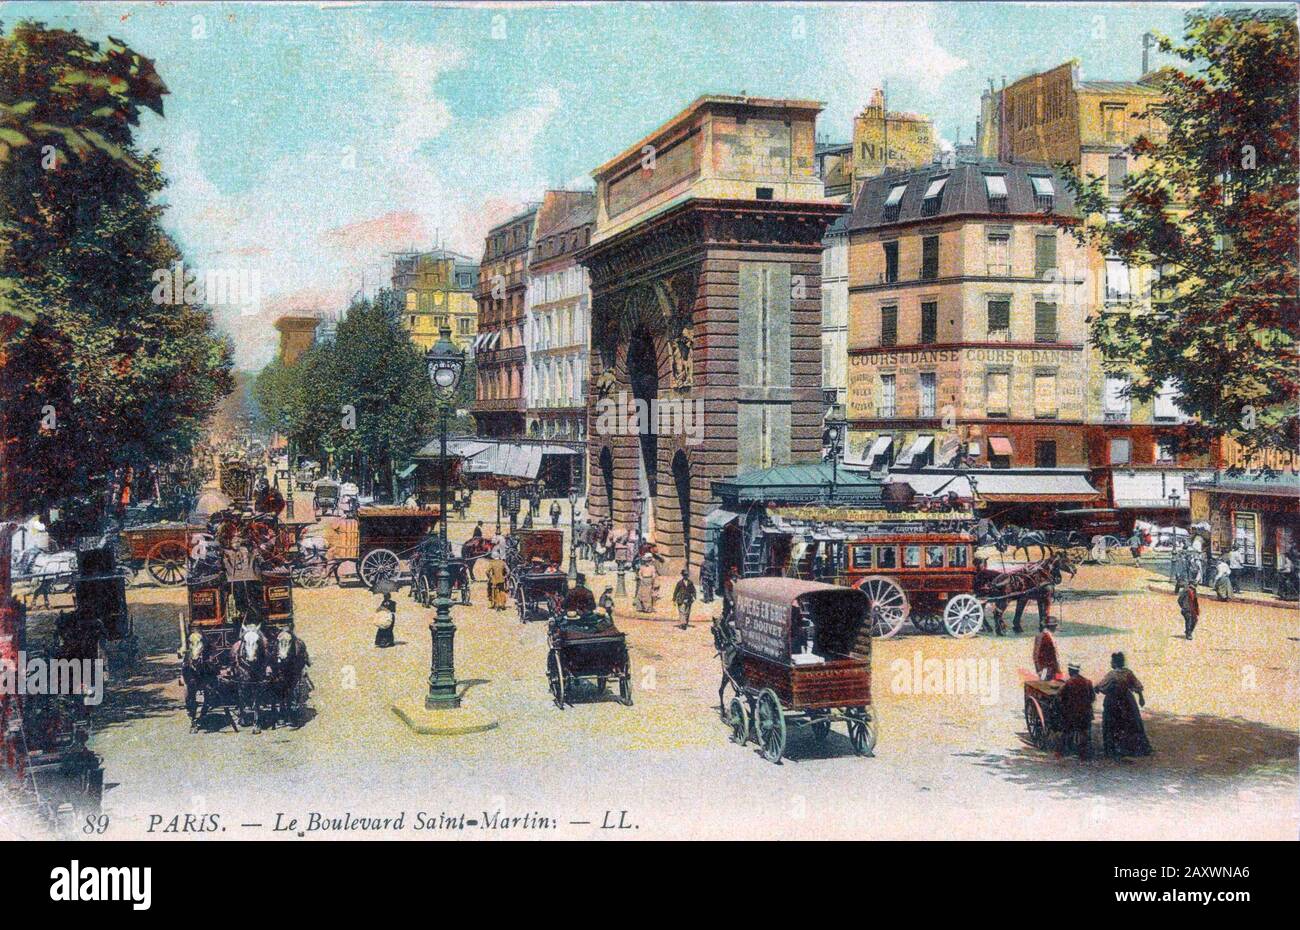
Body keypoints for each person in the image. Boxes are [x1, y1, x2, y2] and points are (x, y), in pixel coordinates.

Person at [1096, 652, 1151, 758]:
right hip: (1127, 701)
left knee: (1113, 724)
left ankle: (1114, 749)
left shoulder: (1112, 674)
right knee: (1130, 723)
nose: (1110, 663)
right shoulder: (1128, 673)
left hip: (1114, 701)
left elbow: (1101, 686)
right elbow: (1137, 686)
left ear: (1115, 663)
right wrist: (1141, 698)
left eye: (1112, 661)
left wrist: (1096, 688)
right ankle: (1130, 748)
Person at [1058, 662, 1095, 760]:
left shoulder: (1068, 683)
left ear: (1070, 671)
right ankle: (1084, 753)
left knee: (1067, 730)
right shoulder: (1088, 682)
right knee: (1084, 732)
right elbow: (1092, 697)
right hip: (1086, 713)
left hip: (1072, 714)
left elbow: (1060, 696)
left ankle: (1066, 751)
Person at [1032, 616, 1061, 681]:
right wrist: (1059, 671)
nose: (1056, 628)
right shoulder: (1050, 638)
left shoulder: (1039, 636)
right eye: (1055, 626)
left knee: (1042, 684)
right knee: (1048, 687)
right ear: (1052, 626)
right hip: (1048, 670)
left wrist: (1038, 669)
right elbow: (1055, 656)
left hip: (1041, 669)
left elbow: (1035, 654)